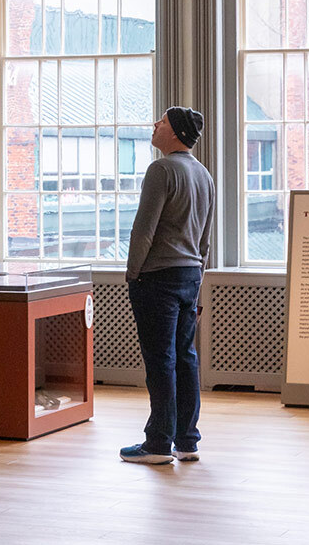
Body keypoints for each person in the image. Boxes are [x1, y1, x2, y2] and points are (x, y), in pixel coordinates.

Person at [120, 106, 214, 466]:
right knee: (186, 358)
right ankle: (187, 440)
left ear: (174, 132)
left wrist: (132, 274)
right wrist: (198, 277)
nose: (155, 126)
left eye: (161, 121)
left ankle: (158, 443)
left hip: (157, 276)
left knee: (160, 360)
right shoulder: (204, 175)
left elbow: (144, 229)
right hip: (190, 275)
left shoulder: (161, 169)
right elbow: (205, 239)